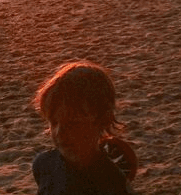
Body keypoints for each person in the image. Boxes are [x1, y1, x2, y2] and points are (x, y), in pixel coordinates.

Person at [32, 62, 136, 195]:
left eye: (73, 123)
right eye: (54, 122)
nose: (60, 132)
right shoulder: (44, 165)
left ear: (103, 120)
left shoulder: (113, 184)